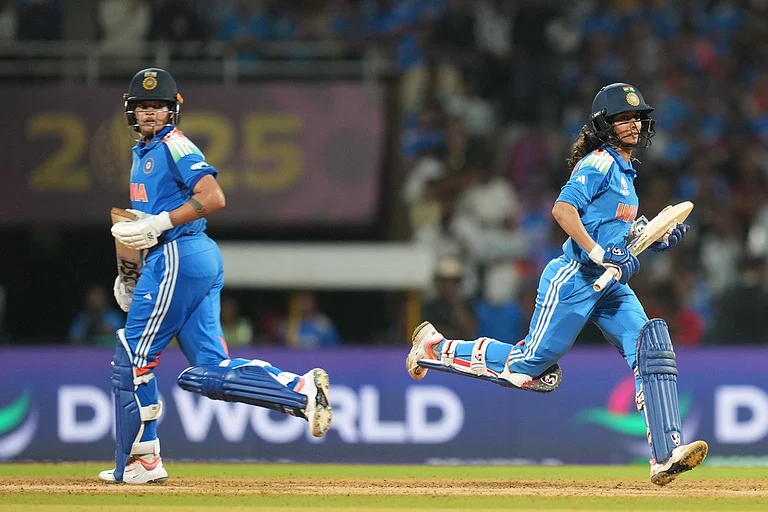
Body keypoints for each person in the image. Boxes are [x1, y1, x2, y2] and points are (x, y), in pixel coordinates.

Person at [406, 83, 708, 486]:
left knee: (649, 348)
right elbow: (563, 210)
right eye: (624, 117)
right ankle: (433, 348)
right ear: (606, 124)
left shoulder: (625, 173)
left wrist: (650, 236)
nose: (634, 123)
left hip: (609, 285)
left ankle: (665, 454)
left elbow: (613, 232)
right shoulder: (599, 162)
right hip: (574, 278)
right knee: (527, 366)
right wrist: (600, 254)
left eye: (637, 116)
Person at [103, 68, 332, 484]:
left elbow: (212, 197)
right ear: (129, 110)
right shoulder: (143, 152)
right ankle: (298, 391)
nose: (150, 114)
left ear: (173, 110)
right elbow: (131, 221)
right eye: (142, 107)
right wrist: (129, 273)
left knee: (131, 360)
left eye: (157, 107)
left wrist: (159, 226)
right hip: (187, 257)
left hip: (177, 254)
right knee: (206, 371)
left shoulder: (175, 144)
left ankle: (142, 462)